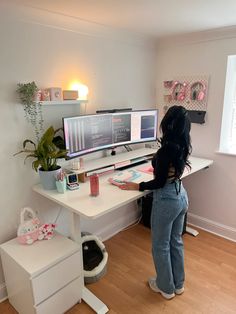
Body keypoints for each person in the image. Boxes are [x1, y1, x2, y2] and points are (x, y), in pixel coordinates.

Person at [119, 105, 192, 300]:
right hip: (181, 196)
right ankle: (178, 285)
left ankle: (165, 288)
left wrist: (136, 186)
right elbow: (168, 173)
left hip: (167, 201)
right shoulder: (183, 144)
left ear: (167, 124)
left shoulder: (166, 150)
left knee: (160, 245)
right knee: (176, 242)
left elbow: (159, 182)